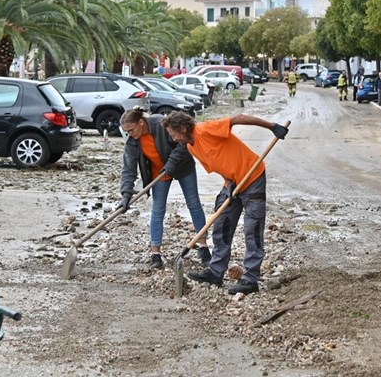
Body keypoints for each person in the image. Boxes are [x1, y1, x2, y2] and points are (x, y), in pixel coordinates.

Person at [161, 112, 289, 295]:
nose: (173, 139)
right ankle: (215, 272)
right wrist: (228, 181)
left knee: (252, 230)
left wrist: (272, 126)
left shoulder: (205, 129)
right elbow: (218, 162)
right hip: (232, 183)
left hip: (252, 177)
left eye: (174, 134)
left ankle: (250, 280)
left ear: (183, 127)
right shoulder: (191, 146)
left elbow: (239, 118)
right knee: (221, 226)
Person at [118, 108, 210, 270]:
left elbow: (182, 142)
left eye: (131, 130)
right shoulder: (132, 140)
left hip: (182, 166)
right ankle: (155, 254)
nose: (129, 134)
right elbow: (128, 169)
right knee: (158, 210)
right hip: (158, 173)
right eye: (126, 132)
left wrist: (172, 163)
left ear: (141, 122)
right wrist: (126, 194)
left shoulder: (160, 124)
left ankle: (203, 247)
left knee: (194, 204)